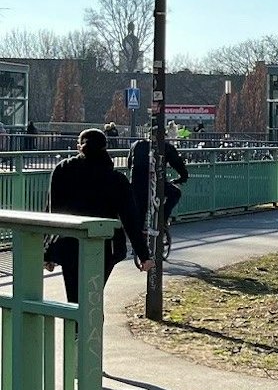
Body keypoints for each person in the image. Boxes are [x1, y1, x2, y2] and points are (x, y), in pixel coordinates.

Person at [44, 129, 149, 303]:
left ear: (79, 147)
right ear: (105, 148)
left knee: (74, 299)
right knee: (92, 297)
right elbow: (130, 219)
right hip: (105, 247)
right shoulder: (116, 179)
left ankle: (76, 329)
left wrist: (48, 253)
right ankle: (91, 328)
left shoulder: (62, 170)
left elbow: (52, 212)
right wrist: (143, 255)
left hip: (70, 246)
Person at [129, 133, 191, 226]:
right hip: (156, 184)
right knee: (175, 193)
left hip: (136, 184)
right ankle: (162, 219)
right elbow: (179, 165)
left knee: (140, 212)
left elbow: (129, 164)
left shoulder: (136, 145)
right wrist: (182, 177)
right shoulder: (165, 147)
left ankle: (139, 233)